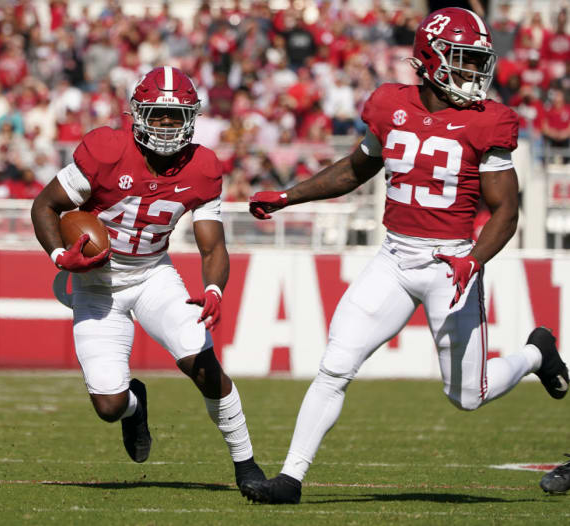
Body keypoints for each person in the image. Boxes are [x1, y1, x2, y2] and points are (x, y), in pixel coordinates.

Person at [241, 7, 569, 504]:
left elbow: (506, 211)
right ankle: (290, 478)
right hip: (394, 259)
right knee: (336, 364)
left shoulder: (488, 121)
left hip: (451, 264)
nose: (473, 72)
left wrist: (474, 260)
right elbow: (355, 170)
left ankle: (535, 353)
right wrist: (289, 196)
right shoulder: (389, 103)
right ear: (430, 59)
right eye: (462, 59)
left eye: (477, 61)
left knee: (468, 396)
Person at [31, 66, 265, 491]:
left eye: (177, 116)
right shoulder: (106, 150)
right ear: (138, 113)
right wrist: (61, 256)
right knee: (109, 405)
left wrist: (214, 288)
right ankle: (134, 407)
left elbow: (213, 246)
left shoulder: (202, 167)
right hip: (97, 285)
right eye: (158, 114)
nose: (167, 124)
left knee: (202, 363)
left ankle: (247, 466)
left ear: (192, 118)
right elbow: (44, 206)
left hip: (152, 275)